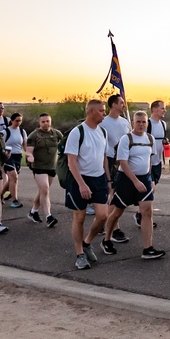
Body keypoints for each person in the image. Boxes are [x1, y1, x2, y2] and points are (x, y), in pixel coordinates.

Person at [104, 111, 165, 260]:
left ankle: (148, 248)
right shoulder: (126, 139)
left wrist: (149, 178)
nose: (141, 124)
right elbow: (123, 163)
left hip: (144, 179)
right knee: (117, 212)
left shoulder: (150, 138)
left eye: (144, 122)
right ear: (132, 123)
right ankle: (106, 239)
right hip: (126, 180)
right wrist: (135, 181)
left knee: (147, 212)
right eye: (138, 122)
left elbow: (148, 160)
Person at [65, 99, 111, 270]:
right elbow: (71, 161)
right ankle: (79, 254)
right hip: (79, 179)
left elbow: (104, 158)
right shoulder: (77, 132)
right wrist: (82, 184)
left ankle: (87, 242)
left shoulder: (103, 132)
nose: (104, 113)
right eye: (101, 111)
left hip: (98, 178)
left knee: (103, 216)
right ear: (91, 112)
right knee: (80, 217)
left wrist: (108, 180)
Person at [100, 94, 132, 243]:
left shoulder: (125, 122)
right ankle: (114, 229)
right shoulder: (103, 122)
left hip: (123, 161)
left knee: (117, 194)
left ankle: (107, 223)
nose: (123, 105)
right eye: (121, 102)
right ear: (113, 104)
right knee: (112, 193)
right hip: (108, 160)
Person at [25, 113, 63, 227]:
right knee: (45, 189)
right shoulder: (34, 135)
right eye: (43, 122)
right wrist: (29, 156)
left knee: (43, 191)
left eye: (47, 121)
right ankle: (49, 217)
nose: (46, 123)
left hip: (51, 166)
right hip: (39, 167)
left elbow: (64, 145)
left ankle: (33, 212)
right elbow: (28, 150)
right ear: (39, 123)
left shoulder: (56, 133)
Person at [139, 100, 168, 228]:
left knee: (152, 189)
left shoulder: (163, 124)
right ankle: (143, 216)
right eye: (162, 108)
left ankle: (141, 213)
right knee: (151, 188)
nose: (164, 111)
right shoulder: (147, 124)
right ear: (155, 109)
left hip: (158, 162)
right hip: (147, 162)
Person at [0, 112, 27, 208]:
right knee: (14, 177)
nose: (18, 122)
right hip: (8, 156)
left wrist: (28, 154)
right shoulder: (5, 132)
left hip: (18, 156)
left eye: (20, 121)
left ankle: (0, 195)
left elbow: (24, 144)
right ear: (11, 121)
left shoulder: (22, 131)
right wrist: (3, 154)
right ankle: (14, 200)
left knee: (12, 179)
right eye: (16, 121)